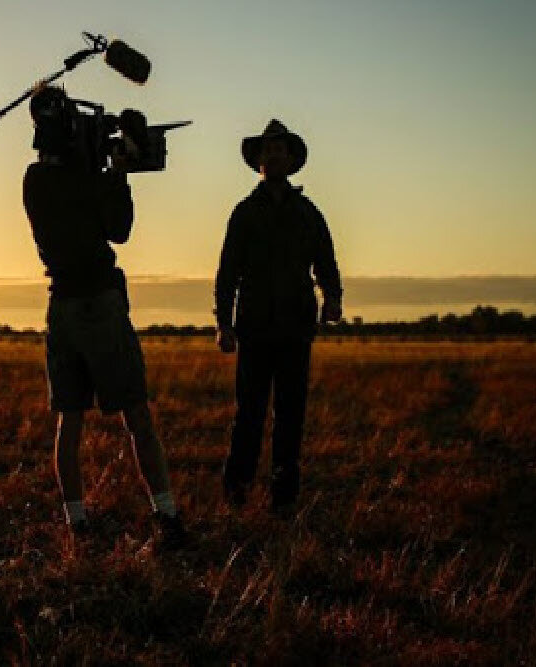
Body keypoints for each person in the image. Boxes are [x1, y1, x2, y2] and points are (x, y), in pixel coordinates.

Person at [21, 85, 188, 548]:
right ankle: (166, 514)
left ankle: (76, 521)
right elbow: (120, 229)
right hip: (98, 301)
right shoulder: (85, 176)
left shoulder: (33, 180)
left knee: (69, 419)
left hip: (61, 308)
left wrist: (100, 154)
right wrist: (118, 168)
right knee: (136, 412)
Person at [214, 119, 343, 512]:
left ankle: (283, 499)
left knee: (291, 416)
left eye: (279, 150)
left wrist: (333, 301)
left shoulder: (308, 212)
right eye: (266, 151)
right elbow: (227, 272)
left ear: (290, 160)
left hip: (295, 328)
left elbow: (326, 261)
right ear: (258, 161)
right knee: (248, 415)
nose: (273, 156)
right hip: (253, 328)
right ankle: (236, 494)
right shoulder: (244, 213)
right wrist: (224, 324)